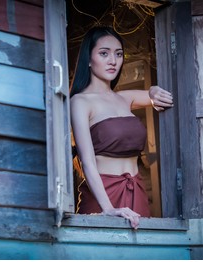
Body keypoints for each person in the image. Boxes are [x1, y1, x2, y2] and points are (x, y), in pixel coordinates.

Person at [70, 26, 173, 229]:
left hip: (136, 190)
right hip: (102, 196)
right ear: (88, 59)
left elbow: (155, 97)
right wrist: (108, 209)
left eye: (118, 54)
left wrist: (153, 90)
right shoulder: (80, 102)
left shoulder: (124, 99)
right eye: (104, 53)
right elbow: (87, 162)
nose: (113, 61)